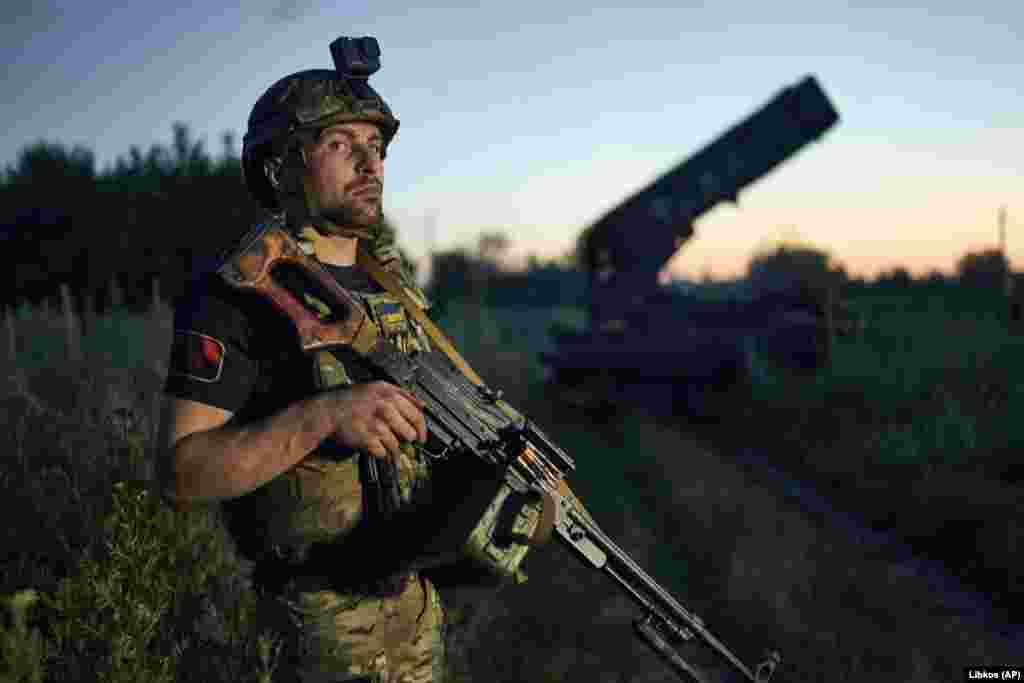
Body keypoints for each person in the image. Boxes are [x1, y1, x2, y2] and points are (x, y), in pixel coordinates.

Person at [157, 53, 452, 682]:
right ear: (279, 165)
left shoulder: (392, 292)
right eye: (341, 144)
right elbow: (184, 472)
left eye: (376, 145)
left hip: (416, 615)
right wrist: (325, 415)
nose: (371, 164)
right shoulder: (243, 293)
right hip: (310, 627)